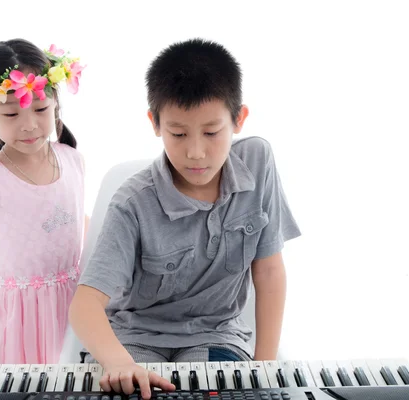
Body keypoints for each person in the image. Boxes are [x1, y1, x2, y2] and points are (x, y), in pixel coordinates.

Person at [69, 38, 301, 398]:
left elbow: (269, 270)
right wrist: (119, 363)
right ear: (155, 123)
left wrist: (263, 369)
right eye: (178, 134)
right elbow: (85, 305)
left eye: (211, 132)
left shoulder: (257, 161)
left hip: (214, 336)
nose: (196, 152)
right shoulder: (132, 202)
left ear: (239, 119)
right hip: (134, 338)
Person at [0, 38, 88, 364]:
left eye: (40, 109)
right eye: (11, 113)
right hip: (15, 318)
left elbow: (78, 220)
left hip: (72, 307)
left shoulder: (73, 161)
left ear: (55, 101)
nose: (29, 125)